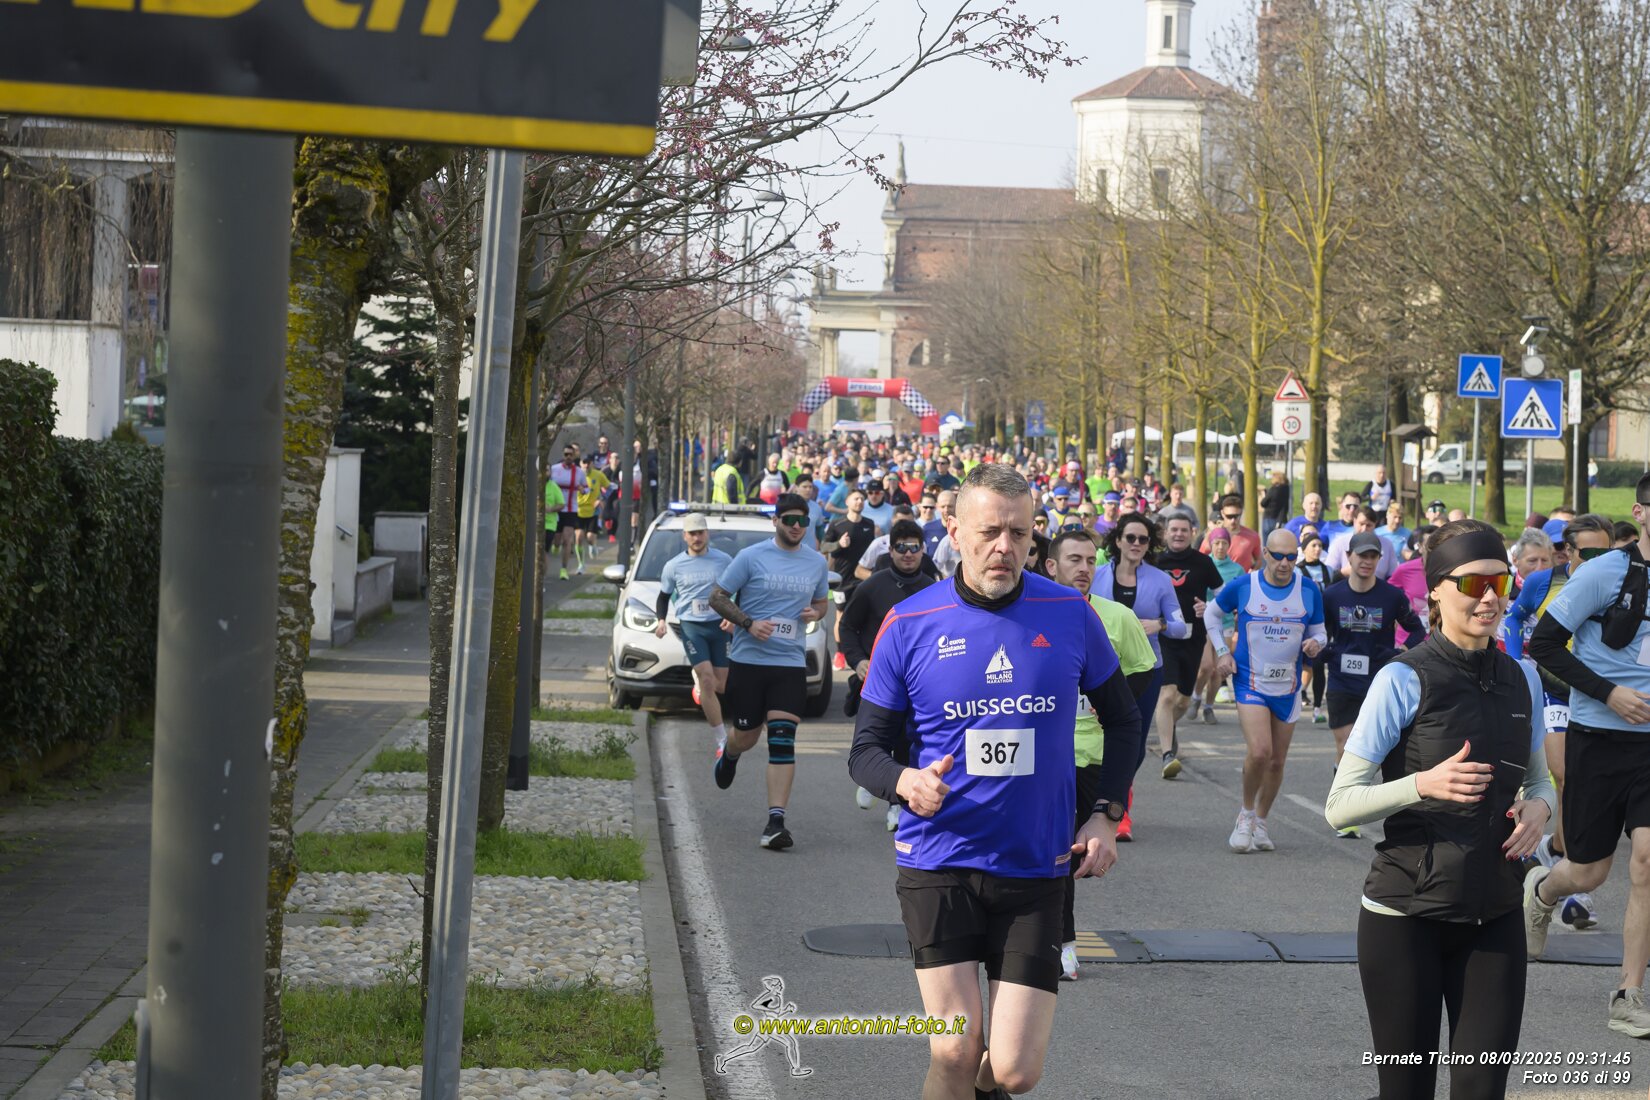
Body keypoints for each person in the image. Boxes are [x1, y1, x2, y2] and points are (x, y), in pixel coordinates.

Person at [846, 463, 1143, 1099]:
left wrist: (1104, 812)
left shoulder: (1069, 613)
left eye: (1019, 533)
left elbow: (1124, 721)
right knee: (955, 1048)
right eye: (989, 532)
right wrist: (904, 781)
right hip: (938, 861)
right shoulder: (909, 622)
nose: (1004, 547)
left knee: (1014, 1071)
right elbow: (864, 752)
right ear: (953, 532)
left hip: (1035, 867)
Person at [1325, 519, 1553, 1099]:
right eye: (1473, 584)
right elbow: (1339, 806)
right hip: (1406, 918)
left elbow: (1539, 779)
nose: (1490, 598)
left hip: (1495, 913)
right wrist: (1421, 784)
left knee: (1482, 1089)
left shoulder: (1523, 678)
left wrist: (1540, 809)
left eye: (1501, 582)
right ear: (1435, 591)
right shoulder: (1402, 679)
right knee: (1407, 1090)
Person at [1526, 484, 1650, 1037]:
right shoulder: (1603, 573)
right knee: (1589, 870)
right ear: (1640, 513)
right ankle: (1542, 891)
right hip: (1599, 737)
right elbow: (1545, 644)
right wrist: (1608, 693)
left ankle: (1628, 993)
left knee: (1646, 860)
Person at [1043, 528, 1155, 981]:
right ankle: (1063, 942)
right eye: (1074, 560)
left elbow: (1144, 668)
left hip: (1094, 754)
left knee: (1072, 854)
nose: (1084, 569)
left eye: (1091, 561)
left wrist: (1110, 702)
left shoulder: (1118, 617)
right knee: (1052, 851)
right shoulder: (1034, 616)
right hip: (1049, 757)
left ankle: (1059, 938)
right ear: (1051, 566)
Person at [1506, 513, 1616, 933]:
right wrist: (1517, 662)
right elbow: (1514, 618)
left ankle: (1555, 850)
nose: (1596, 560)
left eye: (1604, 552)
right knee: (1565, 775)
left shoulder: (1618, 582)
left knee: (1587, 783)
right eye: (1587, 552)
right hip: (1555, 691)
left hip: (1598, 694)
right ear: (1567, 552)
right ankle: (1573, 880)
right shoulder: (1542, 581)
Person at [708, 494, 830, 851]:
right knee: (746, 736)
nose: (796, 527)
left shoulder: (816, 562)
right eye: (790, 520)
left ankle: (776, 822)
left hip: (789, 663)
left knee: (781, 738)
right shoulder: (751, 557)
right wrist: (748, 623)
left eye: (803, 521)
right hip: (749, 663)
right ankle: (729, 753)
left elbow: (822, 602)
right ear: (776, 521)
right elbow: (718, 597)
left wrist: (816, 613)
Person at [1206, 528, 1327, 853]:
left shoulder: (1308, 589)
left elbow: (1320, 631)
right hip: (1250, 682)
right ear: (1265, 555)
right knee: (1260, 751)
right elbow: (1212, 614)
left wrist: (1316, 643)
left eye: (1291, 557)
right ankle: (1245, 814)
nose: (1285, 563)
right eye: (1278, 556)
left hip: (1288, 687)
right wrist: (1222, 652)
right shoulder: (1244, 585)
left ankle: (1261, 820)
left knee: (1276, 761)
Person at [1321, 531, 1424, 837]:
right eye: (1361, 556)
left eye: (1373, 556)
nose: (1366, 562)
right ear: (1349, 557)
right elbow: (1319, 632)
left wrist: (1402, 651)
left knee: (1371, 750)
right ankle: (1346, 809)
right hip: (1341, 679)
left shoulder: (1391, 596)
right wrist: (1322, 651)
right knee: (1346, 742)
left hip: (1378, 680)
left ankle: (1352, 793)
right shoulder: (1332, 596)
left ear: (1379, 560)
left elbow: (1417, 630)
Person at [1094, 514, 1191, 839]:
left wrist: (1158, 624)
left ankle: (1119, 803)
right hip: (1102, 669)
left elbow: (1180, 627)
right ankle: (1097, 799)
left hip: (1144, 669)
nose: (1136, 544)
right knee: (1095, 739)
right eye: (1131, 538)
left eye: (1143, 539)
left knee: (1132, 745)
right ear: (1118, 540)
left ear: (1150, 544)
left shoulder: (1160, 580)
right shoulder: (1097, 575)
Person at [840, 519, 935, 829]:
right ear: (890, 551)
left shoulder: (933, 589)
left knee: (908, 740)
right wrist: (858, 661)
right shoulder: (872, 586)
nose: (908, 553)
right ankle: (873, 780)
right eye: (901, 547)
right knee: (879, 739)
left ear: (923, 550)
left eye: (914, 547)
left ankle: (897, 806)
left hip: (918, 680)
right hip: (878, 679)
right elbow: (847, 627)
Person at [655, 514, 735, 754]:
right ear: (685, 536)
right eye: (692, 533)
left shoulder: (724, 560)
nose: (697, 538)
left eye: (700, 533)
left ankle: (699, 682)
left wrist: (732, 616)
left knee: (721, 685)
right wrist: (661, 621)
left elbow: (738, 590)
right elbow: (663, 597)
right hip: (692, 627)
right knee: (707, 679)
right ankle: (721, 740)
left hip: (718, 627)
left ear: (707, 534)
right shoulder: (674, 566)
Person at [1153, 514, 1225, 777]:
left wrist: (1209, 607)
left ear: (1192, 533)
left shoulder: (1203, 562)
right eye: (1174, 529)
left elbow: (1223, 596)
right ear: (1165, 533)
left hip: (1193, 638)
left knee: (1183, 700)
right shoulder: (1155, 561)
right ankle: (1167, 754)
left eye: (1184, 530)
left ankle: (1167, 727)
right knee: (1167, 694)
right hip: (1162, 636)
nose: (1179, 534)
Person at [1297, 534, 1333, 725]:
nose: (1318, 549)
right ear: (1304, 549)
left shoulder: (1329, 570)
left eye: (1320, 545)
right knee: (1296, 663)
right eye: (1313, 545)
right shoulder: (1296, 570)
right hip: (1301, 624)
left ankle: (1317, 707)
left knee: (1318, 665)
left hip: (1323, 624)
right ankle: (1294, 697)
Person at [1325, 506, 1397, 582]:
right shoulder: (1340, 543)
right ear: (1354, 521)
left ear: (1375, 525)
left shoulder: (1386, 545)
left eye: (1369, 525)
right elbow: (1328, 574)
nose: (1364, 529)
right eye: (1361, 524)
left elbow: (1392, 576)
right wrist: (1344, 572)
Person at [549, 442, 587, 581]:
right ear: (563, 455)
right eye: (566, 454)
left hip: (571, 510)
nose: (568, 457)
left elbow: (586, 488)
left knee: (567, 540)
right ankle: (555, 545)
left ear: (574, 455)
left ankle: (564, 570)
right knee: (557, 540)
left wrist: (583, 490)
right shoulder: (554, 469)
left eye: (571, 454)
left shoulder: (579, 472)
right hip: (556, 510)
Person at [1199, 494, 1262, 571]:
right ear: (1222, 513)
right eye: (1229, 516)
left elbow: (1258, 560)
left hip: (1241, 577)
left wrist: (1253, 571)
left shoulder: (1252, 536)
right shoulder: (1212, 535)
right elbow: (1199, 560)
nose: (1233, 520)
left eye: (1236, 516)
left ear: (1241, 513)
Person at [1260, 470, 1291, 538]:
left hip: (1269, 518)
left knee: (1267, 541)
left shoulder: (1273, 490)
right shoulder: (1286, 489)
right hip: (1281, 519)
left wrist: (1263, 495)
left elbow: (1263, 503)